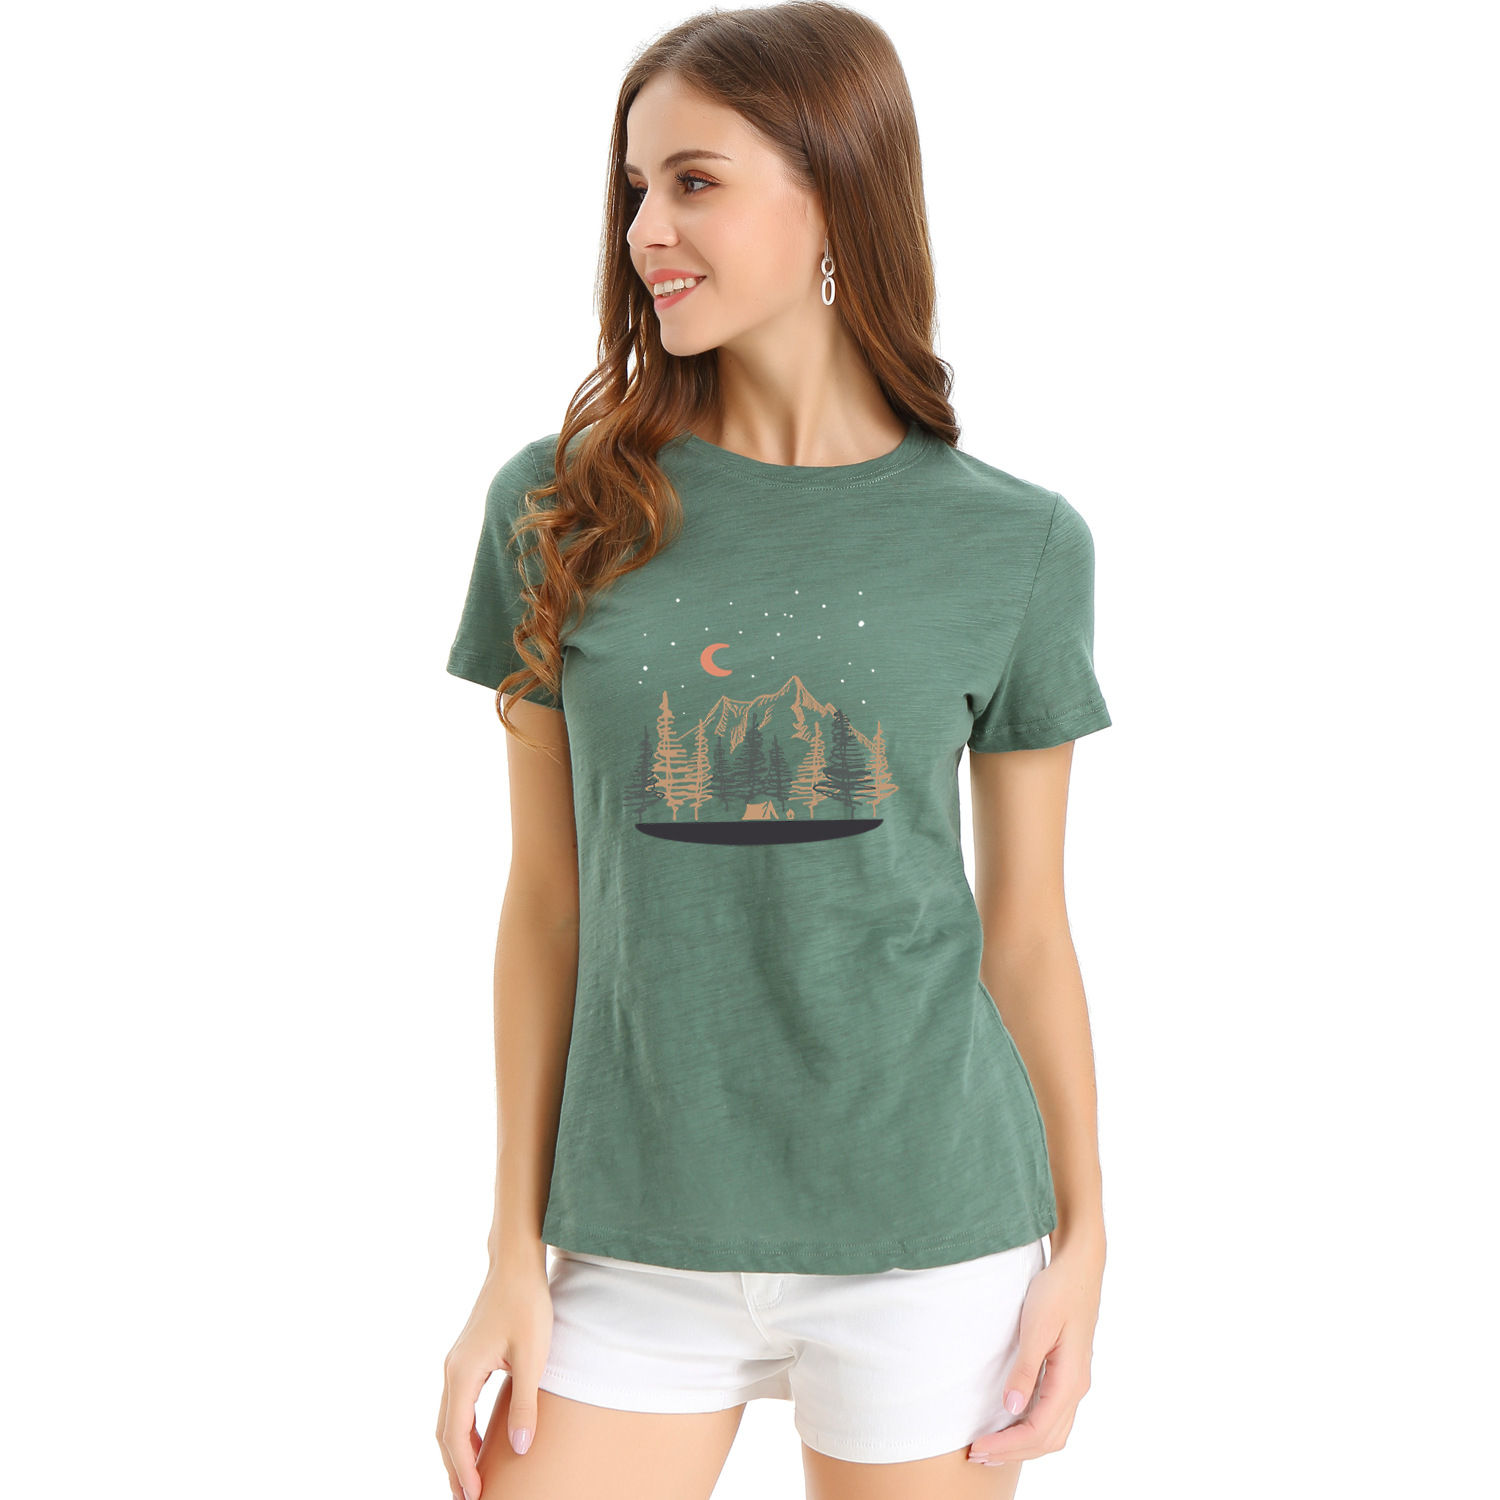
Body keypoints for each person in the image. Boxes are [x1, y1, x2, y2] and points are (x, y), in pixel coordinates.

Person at [436, 5, 1111, 1497]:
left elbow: (1027, 933)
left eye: (694, 182)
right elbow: (546, 906)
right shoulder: (558, 507)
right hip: (628, 1232)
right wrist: (509, 1249)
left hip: (933, 1232)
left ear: (836, 196)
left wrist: (1085, 1240)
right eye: (633, 188)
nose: (643, 231)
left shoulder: (1014, 544)